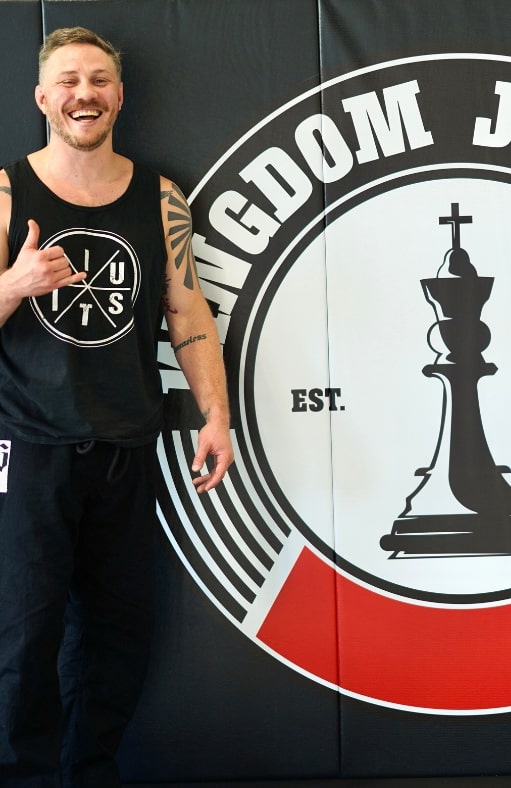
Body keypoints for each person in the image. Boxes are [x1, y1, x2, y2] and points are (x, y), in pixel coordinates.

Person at [0, 26, 233, 786]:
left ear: (120, 96)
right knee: (26, 637)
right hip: (30, 448)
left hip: (127, 448)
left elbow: (188, 313)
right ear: (42, 98)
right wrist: (14, 284)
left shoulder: (158, 196)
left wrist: (217, 417)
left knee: (119, 636)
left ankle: (89, 773)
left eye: (99, 80)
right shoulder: (5, 194)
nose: (85, 94)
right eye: (68, 80)